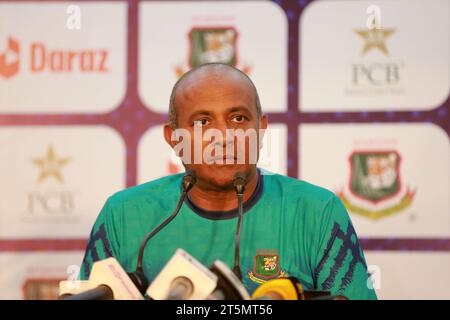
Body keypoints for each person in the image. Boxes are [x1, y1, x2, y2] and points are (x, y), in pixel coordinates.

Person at [80, 63, 377, 300]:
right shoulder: (122, 215)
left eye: (237, 119)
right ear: (174, 138)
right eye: (202, 122)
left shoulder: (317, 211)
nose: (223, 137)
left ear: (260, 129)